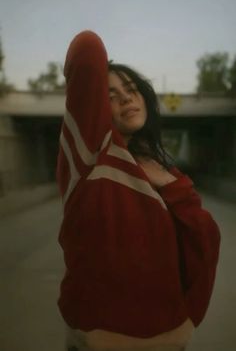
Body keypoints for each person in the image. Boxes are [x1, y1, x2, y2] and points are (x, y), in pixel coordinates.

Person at [56, 31, 220, 351]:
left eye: (130, 90)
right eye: (110, 95)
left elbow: (204, 240)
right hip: (102, 341)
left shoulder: (165, 171)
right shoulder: (90, 155)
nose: (126, 98)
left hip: (171, 339)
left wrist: (188, 319)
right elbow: (88, 46)